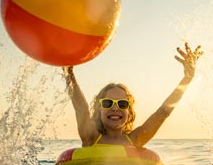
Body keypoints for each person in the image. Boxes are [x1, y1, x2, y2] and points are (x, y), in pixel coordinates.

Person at [63, 43, 203, 148]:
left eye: (122, 104)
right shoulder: (91, 138)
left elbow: (163, 113)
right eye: (108, 103)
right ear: (99, 109)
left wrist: (187, 78)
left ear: (129, 112)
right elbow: (81, 108)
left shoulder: (136, 139)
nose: (115, 108)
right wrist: (68, 72)